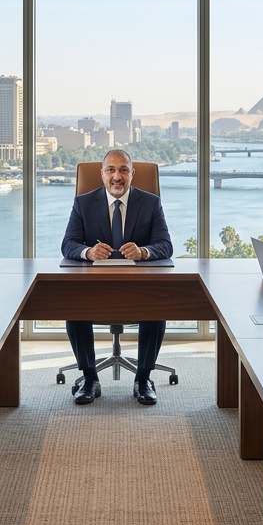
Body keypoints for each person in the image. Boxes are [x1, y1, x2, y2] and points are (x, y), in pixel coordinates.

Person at [61, 149, 174, 406]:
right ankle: (89, 378)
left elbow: (165, 245)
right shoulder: (83, 203)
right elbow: (68, 244)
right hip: (95, 287)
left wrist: (144, 252)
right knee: (72, 306)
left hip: (138, 287)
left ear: (132, 174)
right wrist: (87, 251)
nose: (117, 177)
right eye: (111, 170)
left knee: (157, 307)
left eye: (123, 170)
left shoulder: (151, 202)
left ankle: (143, 379)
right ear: (101, 175)